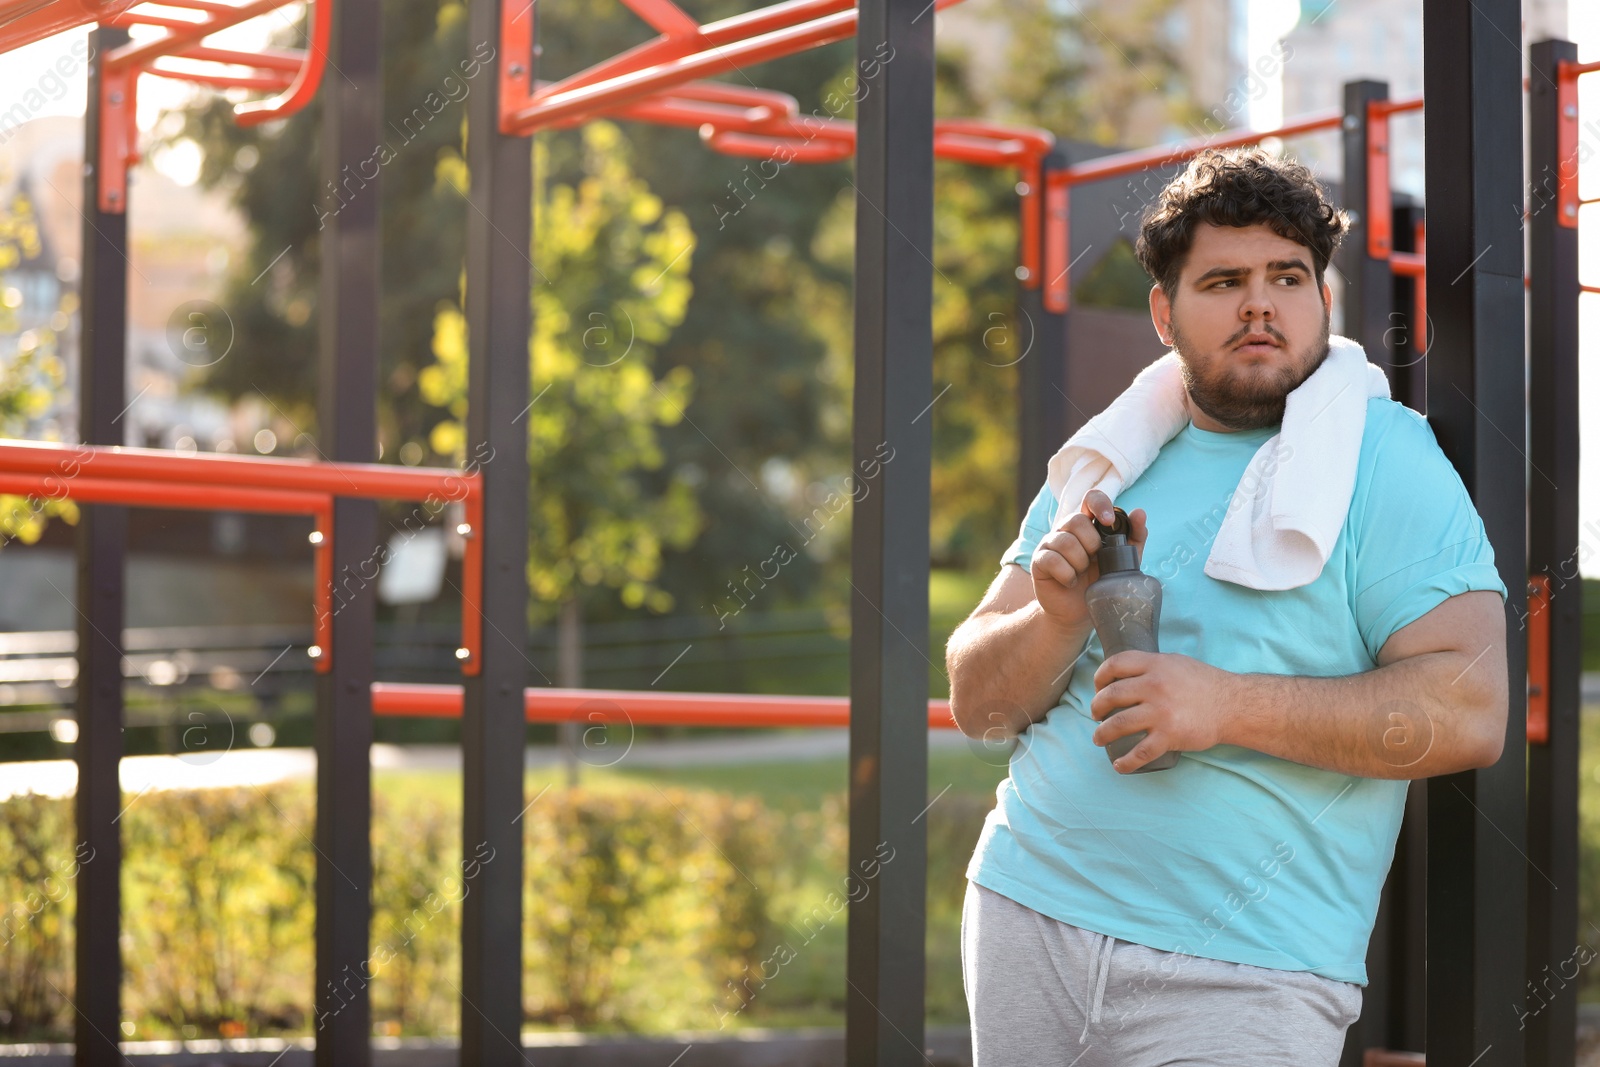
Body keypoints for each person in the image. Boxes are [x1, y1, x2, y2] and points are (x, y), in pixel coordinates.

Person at [946, 146, 1508, 1066]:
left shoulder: (1387, 458)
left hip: (1248, 968)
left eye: (1289, 276)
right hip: (1026, 910)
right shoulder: (1106, 459)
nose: (1261, 303)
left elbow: (1471, 709)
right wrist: (1054, 619)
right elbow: (978, 701)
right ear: (1164, 313)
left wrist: (1223, 704)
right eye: (1224, 280)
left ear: (1322, 298)